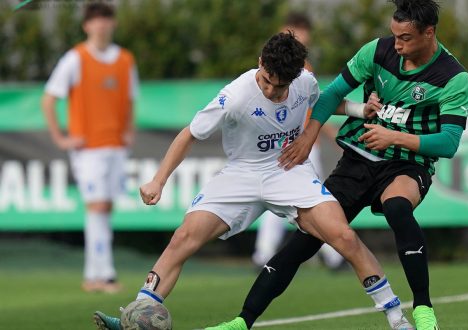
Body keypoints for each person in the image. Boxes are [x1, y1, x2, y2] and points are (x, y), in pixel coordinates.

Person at [92, 32, 412, 330]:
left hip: (288, 171)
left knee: (343, 236)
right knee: (183, 238)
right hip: (241, 173)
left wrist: (359, 108)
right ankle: (136, 315)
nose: (273, 91)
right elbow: (189, 135)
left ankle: (397, 318)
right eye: (268, 82)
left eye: (281, 86)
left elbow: (324, 101)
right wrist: (158, 181)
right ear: (261, 62)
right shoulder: (234, 97)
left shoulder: (304, 82)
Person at [220, 0, 468, 329]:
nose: (396, 44)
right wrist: (308, 137)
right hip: (357, 160)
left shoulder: (453, 77)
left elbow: (449, 142)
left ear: (429, 33)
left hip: (407, 164)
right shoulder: (376, 51)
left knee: (397, 207)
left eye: (405, 38)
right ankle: (243, 320)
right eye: (394, 35)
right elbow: (329, 95)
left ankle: (423, 310)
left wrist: (393, 138)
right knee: (305, 240)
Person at [42, 2, 139, 294]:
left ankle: (92, 274)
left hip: (116, 147)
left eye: (106, 19)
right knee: (96, 206)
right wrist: (61, 137)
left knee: (104, 208)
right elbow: (49, 99)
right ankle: (106, 274)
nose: (101, 25)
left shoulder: (124, 59)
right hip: (89, 149)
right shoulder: (75, 58)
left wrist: (128, 132)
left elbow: (131, 99)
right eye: (96, 21)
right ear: (86, 25)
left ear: (113, 24)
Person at [252, 12, 344, 271]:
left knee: (300, 202)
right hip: (296, 146)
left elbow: (316, 107)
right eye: (294, 31)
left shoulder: (301, 67)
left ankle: (263, 254)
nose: (300, 36)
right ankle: (332, 256)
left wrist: (331, 133)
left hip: (302, 143)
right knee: (315, 201)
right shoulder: (286, 66)